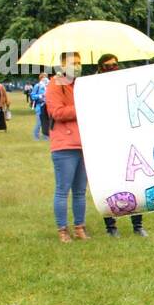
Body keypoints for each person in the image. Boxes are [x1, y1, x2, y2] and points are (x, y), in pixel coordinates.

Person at [92, 56, 149, 238]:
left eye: (115, 64)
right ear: (100, 68)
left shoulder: (125, 83)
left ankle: (137, 224)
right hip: (105, 142)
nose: (113, 68)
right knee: (108, 185)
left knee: (135, 183)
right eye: (108, 66)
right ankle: (111, 226)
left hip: (128, 140)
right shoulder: (92, 87)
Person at [45, 52, 90, 242]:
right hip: (64, 146)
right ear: (62, 66)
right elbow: (56, 112)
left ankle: (79, 227)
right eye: (73, 63)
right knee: (63, 190)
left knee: (80, 191)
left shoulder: (80, 85)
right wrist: (82, 107)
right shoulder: (55, 85)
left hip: (84, 144)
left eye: (79, 63)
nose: (77, 66)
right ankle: (62, 230)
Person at [30, 72, 50, 141]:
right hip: (39, 106)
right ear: (41, 78)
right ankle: (36, 136)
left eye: (46, 77)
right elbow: (32, 96)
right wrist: (40, 96)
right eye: (44, 77)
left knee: (47, 122)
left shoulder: (48, 86)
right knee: (39, 122)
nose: (45, 78)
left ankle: (46, 137)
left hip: (48, 106)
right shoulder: (37, 86)